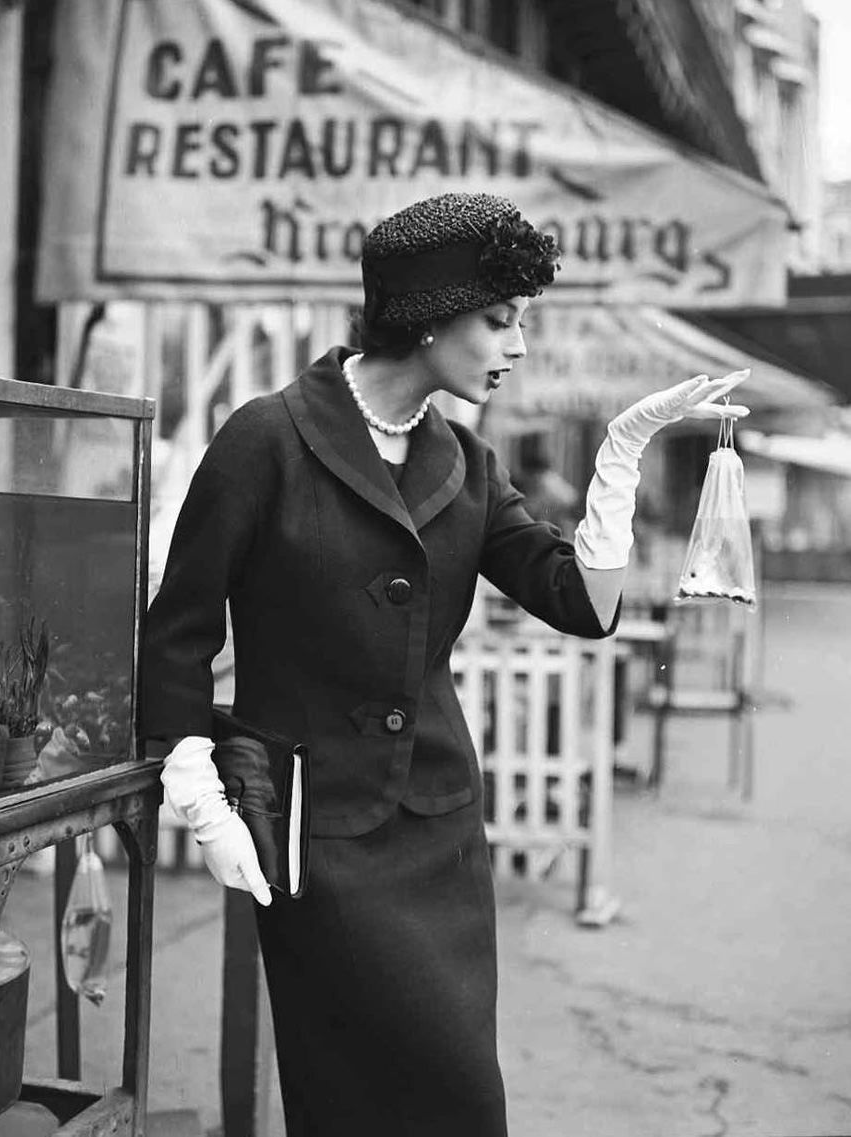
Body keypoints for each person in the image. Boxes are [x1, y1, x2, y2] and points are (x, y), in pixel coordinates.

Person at [139, 191, 749, 1137]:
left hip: (438, 838)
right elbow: (178, 628)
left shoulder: (466, 460)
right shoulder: (266, 438)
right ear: (427, 320)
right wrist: (194, 787)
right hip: (314, 833)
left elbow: (582, 606)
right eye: (498, 321)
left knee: (462, 1100)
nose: (513, 346)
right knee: (344, 1099)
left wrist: (622, 452)